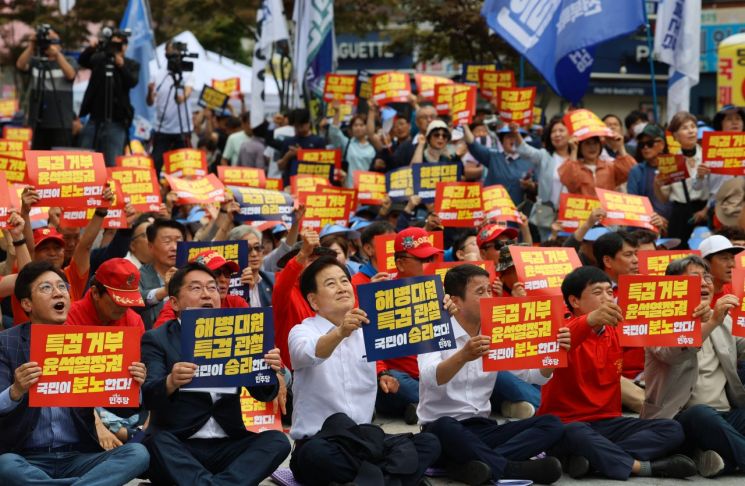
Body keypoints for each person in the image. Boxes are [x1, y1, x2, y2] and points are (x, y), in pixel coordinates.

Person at [288, 256, 441, 485]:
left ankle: (373, 480)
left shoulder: (371, 330)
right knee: (314, 456)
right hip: (323, 443)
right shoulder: (301, 332)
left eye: (344, 281)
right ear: (314, 300)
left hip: (366, 442)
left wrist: (445, 312)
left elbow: (423, 327)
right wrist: (340, 332)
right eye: (331, 284)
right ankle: (396, 479)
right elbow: (310, 352)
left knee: (430, 443)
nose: (341, 288)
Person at [539, 266, 697, 480]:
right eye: (597, 293)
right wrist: (589, 320)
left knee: (671, 429)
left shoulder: (616, 328)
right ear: (574, 301)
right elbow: (568, 336)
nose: (607, 299)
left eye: (609, 292)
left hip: (609, 422)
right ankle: (641, 467)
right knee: (576, 433)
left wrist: (699, 316)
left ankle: (591, 460)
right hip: (567, 423)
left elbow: (664, 323)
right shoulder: (560, 329)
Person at [0, 261, 150, 485]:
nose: (58, 293)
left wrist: (133, 384)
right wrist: (16, 390)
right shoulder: (7, 342)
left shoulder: (88, 342)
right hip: (26, 457)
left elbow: (122, 408)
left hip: (79, 456)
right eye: (46, 288)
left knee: (137, 454)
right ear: (27, 303)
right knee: (5, 465)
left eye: (62, 287)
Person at [141, 262, 291, 485]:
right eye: (196, 288)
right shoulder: (157, 338)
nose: (207, 295)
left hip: (229, 443)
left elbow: (264, 394)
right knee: (155, 443)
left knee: (278, 441)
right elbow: (149, 395)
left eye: (212, 288)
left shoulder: (240, 333)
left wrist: (269, 370)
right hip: (180, 443)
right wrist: (171, 381)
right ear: (174, 302)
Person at [420, 264, 566, 485]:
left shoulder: (496, 330)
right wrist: (463, 356)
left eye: (489, 290)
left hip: (483, 428)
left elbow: (532, 376)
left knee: (552, 424)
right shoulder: (435, 328)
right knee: (445, 426)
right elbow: (430, 378)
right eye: (480, 292)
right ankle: (510, 468)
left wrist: (554, 353)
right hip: (442, 430)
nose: (489, 297)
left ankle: (469, 466)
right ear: (455, 300)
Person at [643, 255, 745, 477]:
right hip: (679, 418)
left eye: (707, 277)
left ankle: (716, 459)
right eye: (694, 278)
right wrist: (711, 323)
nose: (704, 283)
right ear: (673, 286)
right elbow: (673, 355)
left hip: (726, 415)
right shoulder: (657, 321)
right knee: (701, 415)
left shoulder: (724, 319)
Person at [376, 227, 444, 424]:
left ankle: (419, 406)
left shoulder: (442, 290)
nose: (429, 265)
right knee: (391, 383)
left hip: (435, 373)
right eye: (423, 260)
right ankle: (441, 403)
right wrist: (382, 372)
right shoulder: (382, 294)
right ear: (400, 263)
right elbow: (369, 347)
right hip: (401, 378)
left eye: (431, 259)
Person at [593, 231, 646, 413]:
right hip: (617, 377)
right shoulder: (591, 293)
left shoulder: (647, 287)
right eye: (628, 254)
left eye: (636, 254)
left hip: (651, 373)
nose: (636, 260)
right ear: (607, 261)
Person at [78, 28, 140, 166]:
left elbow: (132, 82)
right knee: (84, 160)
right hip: (94, 120)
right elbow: (83, 61)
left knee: (111, 163)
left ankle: (110, 188)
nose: (115, 48)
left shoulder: (130, 64)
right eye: (112, 44)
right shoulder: (100, 59)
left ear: (125, 47)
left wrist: (121, 65)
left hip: (116, 122)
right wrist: (92, 48)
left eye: (118, 45)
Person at [654, 112, 714, 246]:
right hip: (680, 213)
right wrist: (657, 185)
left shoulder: (708, 155)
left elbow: (716, 189)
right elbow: (663, 198)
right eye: (685, 128)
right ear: (675, 136)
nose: (691, 131)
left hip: (704, 211)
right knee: (678, 253)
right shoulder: (670, 160)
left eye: (693, 126)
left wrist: (705, 211)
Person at [510, 117, 571, 241]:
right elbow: (526, 151)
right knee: (548, 247)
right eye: (554, 131)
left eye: (561, 130)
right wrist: (516, 133)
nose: (557, 134)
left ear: (570, 133)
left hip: (570, 214)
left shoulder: (578, 158)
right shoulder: (545, 155)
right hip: (546, 213)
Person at [15, 26, 77, 149]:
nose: (50, 45)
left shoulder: (68, 60)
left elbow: (71, 74)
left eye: (53, 42)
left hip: (60, 122)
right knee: (38, 160)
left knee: (59, 158)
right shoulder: (36, 62)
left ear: (60, 45)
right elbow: (20, 65)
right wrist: (31, 45)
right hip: (38, 121)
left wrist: (57, 55)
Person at [153, 249, 249, 328]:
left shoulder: (237, 303)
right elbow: (162, 339)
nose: (223, 279)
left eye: (227, 274)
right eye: (216, 273)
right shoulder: (178, 304)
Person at [147, 40, 194, 176]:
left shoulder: (187, 73)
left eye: (177, 53)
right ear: (166, 54)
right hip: (163, 129)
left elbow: (187, 92)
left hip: (183, 129)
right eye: (171, 53)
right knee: (155, 164)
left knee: (185, 168)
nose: (175, 57)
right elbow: (150, 102)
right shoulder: (158, 74)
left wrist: (181, 96)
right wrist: (150, 92)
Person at [463, 123, 535, 208]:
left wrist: (530, 186)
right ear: (502, 141)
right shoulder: (493, 156)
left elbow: (536, 190)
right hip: (492, 212)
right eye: (509, 137)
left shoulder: (530, 162)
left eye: (516, 136)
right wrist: (464, 124)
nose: (513, 140)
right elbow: (473, 144)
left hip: (518, 214)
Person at [137, 219, 186, 330]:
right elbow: (133, 303)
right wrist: (164, 291)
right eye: (167, 242)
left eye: (179, 241)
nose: (174, 247)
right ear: (151, 247)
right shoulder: (139, 276)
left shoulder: (192, 273)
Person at [559, 127, 636, 196]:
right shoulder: (575, 167)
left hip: (606, 210)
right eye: (587, 143)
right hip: (583, 210)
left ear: (600, 146)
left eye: (595, 143)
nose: (592, 147)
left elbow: (632, 171)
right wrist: (574, 150)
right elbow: (568, 181)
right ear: (580, 147)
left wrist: (621, 147)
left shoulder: (610, 167)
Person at [627, 124, 673, 221]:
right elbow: (633, 204)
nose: (645, 147)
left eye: (650, 143)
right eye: (641, 144)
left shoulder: (674, 167)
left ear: (661, 144)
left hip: (674, 225)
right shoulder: (636, 171)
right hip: (645, 225)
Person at [327, 102, 376, 188]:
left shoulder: (372, 148)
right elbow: (334, 133)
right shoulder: (347, 144)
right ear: (351, 129)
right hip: (349, 189)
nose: (358, 128)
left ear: (366, 127)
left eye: (361, 125)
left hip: (367, 191)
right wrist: (337, 112)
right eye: (355, 125)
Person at [277, 109, 327, 187]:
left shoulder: (318, 141)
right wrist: (288, 156)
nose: (299, 129)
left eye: (301, 126)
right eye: (296, 126)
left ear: (308, 123)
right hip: (290, 184)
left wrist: (302, 154)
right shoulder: (288, 141)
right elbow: (280, 166)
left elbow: (323, 168)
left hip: (311, 185)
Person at [699, 234, 743, 307]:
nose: (732, 264)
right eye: (724, 258)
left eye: (732, 258)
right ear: (705, 263)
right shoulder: (694, 299)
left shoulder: (738, 291)